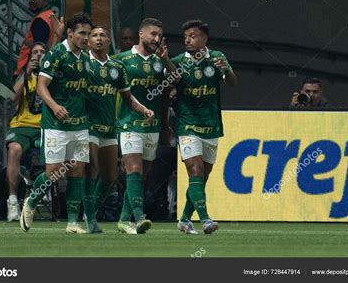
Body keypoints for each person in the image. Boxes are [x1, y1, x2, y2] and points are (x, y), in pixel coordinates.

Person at [20, 13, 92, 234]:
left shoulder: (85, 57)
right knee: (55, 173)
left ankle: (72, 222)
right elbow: (41, 86)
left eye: (88, 33)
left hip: (79, 124)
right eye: (81, 33)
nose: (86, 37)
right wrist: (54, 106)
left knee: (77, 171)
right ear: (70, 33)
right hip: (55, 124)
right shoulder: (57, 54)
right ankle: (31, 201)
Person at [85, 26, 154, 233]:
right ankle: (88, 219)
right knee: (92, 171)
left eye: (102, 35)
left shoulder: (117, 66)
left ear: (108, 41)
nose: (99, 38)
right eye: (94, 35)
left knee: (110, 177)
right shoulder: (81, 63)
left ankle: (92, 215)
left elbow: (127, 97)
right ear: (88, 41)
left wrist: (143, 109)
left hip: (109, 127)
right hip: (85, 126)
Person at [171, 19, 237, 234]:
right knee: (195, 171)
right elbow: (168, 86)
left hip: (211, 126)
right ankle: (206, 219)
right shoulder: (178, 61)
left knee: (201, 178)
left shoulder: (217, 57)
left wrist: (226, 70)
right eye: (186, 37)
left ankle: (183, 219)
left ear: (204, 38)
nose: (188, 40)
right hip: (187, 125)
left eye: (193, 36)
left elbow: (232, 83)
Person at [115, 18, 177, 234]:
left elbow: (176, 81)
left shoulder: (160, 62)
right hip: (129, 123)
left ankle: (123, 219)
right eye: (153, 34)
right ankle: (140, 217)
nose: (156, 39)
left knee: (142, 176)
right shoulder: (121, 60)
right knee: (134, 169)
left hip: (152, 126)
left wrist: (166, 58)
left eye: (160, 35)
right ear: (141, 34)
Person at [5, 42, 46, 221]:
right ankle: (12, 201)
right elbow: (11, 97)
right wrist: (26, 72)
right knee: (14, 149)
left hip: (45, 127)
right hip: (21, 125)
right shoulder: (24, 76)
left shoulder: (51, 76)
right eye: (35, 52)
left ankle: (42, 191)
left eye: (42, 52)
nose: (38, 55)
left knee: (56, 152)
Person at [15, 0, 64, 75]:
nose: (32, 1)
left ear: (46, 1)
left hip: (31, 71)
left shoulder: (41, 20)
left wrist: (27, 43)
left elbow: (40, 47)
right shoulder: (48, 16)